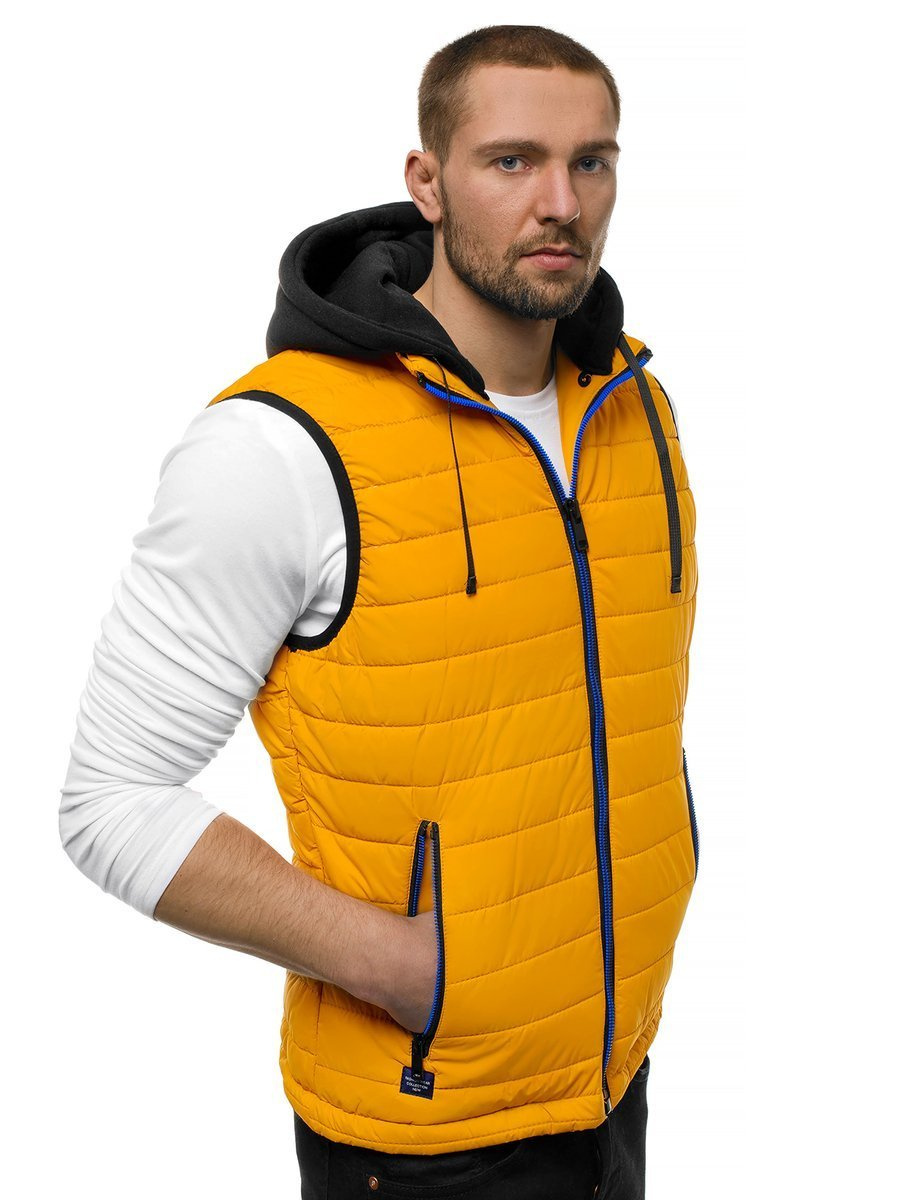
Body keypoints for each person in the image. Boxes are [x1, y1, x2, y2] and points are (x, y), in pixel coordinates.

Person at [59, 24, 699, 1200]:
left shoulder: (632, 412)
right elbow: (111, 798)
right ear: (428, 181)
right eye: (512, 161)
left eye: (591, 162)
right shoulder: (280, 447)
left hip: (613, 1086)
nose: (561, 204)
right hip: (419, 1137)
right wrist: (404, 967)